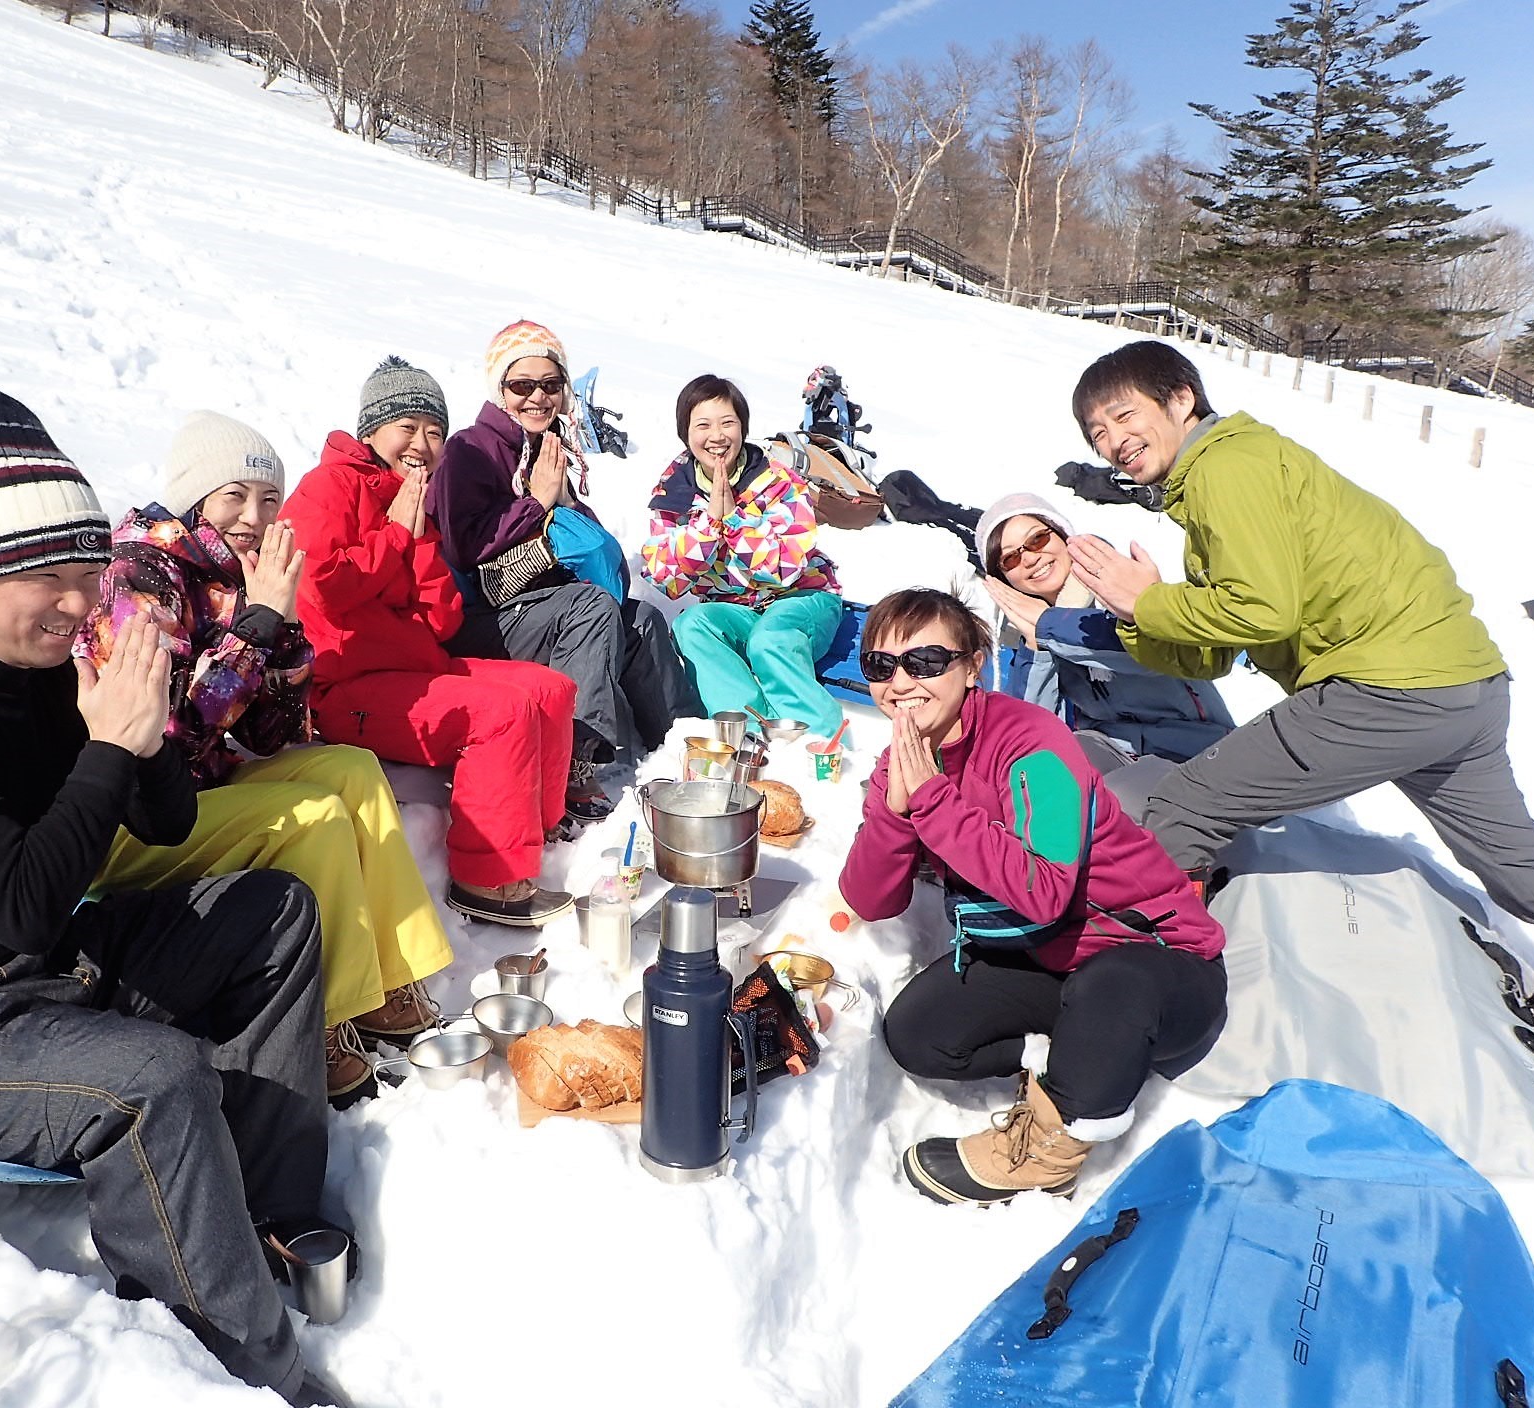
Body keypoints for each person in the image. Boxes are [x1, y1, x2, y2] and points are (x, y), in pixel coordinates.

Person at [0, 390, 345, 1405]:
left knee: (274, 913)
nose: (78, 602)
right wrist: (104, 747)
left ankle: (262, 1221)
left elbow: (166, 823)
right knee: (155, 1079)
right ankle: (240, 1363)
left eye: (89, 576)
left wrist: (151, 725)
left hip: (35, 971)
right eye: (45, 577)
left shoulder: (60, 669)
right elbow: (27, 903)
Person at [1066, 340, 1534, 919]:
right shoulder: (1238, 472)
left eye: (1123, 415)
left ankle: (1164, 965)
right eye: (1096, 434)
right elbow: (1214, 655)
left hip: (1389, 688)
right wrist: (1134, 612)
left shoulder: (1227, 466)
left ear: (1181, 399)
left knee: (1184, 808)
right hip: (1463, 684)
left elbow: (1264, 611)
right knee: (1522, 873)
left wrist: (1150, 602)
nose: (1113, 442)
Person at [76, 410, 456, 1103]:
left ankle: (387, 983)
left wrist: (278, 638)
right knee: (308, 813)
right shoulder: (139, 577)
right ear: (194, 497)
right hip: (130, 816)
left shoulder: (233, 571)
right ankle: (325, 1017)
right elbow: (165, 739)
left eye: (268, 500)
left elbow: (273, 736)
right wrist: (257, 627)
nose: (252, 516)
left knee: (349, 770)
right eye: (234, 497)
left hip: (203, 787)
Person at [838, 588, 1225, 1206]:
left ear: (972, 666)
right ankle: (1076, 1053)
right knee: (919, 1033)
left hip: (1159, 964)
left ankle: (1052, 1147)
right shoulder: (904, 760)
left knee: (1114, 984)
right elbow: (870, 898)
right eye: (882, 666)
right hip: (1050, 961)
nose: (902, 682)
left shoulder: (1033, 745)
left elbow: (1043, 891)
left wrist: (934, 802)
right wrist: (895, 810)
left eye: (927, 662)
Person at [281, 356, 576, 927]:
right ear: (371, 430)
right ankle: (486, 879)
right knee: (503, 712)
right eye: (407, 428)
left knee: (550, 689)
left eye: (435, 432)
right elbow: (322, 588)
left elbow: (441, 617)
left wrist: (414, 540)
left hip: (416, 673)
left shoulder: (412, 501)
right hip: (346, 688)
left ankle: (533, 839)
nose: (422, 443)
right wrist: (394, 533)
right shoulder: (328, 488)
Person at [427, 320, 696, 816]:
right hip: (480, 615)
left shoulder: (548, 445)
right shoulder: (471, 449)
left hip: (537, 604)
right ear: (499, 388)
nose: (537, 397)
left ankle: (685, 744)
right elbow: (465, 546)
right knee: (593, 607)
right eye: (521, 386)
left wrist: (564, 511)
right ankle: (571, 759)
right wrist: (536, 502)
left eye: (550, 385)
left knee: (640, 620)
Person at [975, 490, 1232, 810]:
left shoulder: (1118, 586)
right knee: (1044, 779)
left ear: (1063, 536)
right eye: (1011, 558)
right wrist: (1036, 647)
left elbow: (1141, 653)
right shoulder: (1025, 635)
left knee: (1107, 800)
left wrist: (1048, 625)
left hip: (1197, 751)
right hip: (1115, 754)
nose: (1029, 558)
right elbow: (1029, 729)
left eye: (1038, 539)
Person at [641, 373, 845, 735]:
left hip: (801, 599)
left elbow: (787, 568)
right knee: (692, 625)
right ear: (686, 433)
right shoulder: (674, 492)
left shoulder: (777, 481)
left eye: (727, 423)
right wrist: (708, 529)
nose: (716, 436)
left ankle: (822, 739)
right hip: (739, 610)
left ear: (743, 428)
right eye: (703, 424)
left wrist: (735, 521)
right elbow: (663, 576)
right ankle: (748, 731)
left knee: (771, 640)